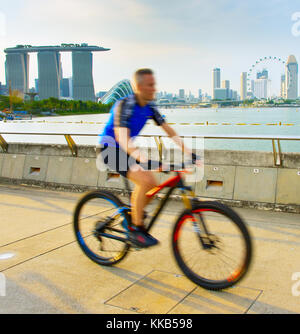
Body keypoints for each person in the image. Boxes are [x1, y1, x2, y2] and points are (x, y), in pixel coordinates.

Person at [98, 68, 198, 248]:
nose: (154, 89)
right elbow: (122, 137)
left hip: (126, 150)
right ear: (138, 86)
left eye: (154, 85)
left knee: (152, 183)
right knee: (145, 180)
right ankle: (136, 230)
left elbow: (168, 130)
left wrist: (189, 152)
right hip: (110, 149)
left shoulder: (150, 106)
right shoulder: (125, 104)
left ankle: (133, 215)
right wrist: (141, 158)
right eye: (150, 85)